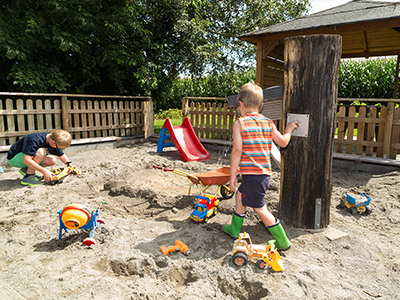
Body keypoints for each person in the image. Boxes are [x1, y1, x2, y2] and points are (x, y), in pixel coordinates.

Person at [223, 82, 298, 250]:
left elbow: (237, 150)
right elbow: (283, 142)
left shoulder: (240, 123)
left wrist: (232, 176)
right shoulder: (268, 123)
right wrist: (289, 129)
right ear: (261, 105)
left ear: (241, 105)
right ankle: (234, 229)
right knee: (241, 195)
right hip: (263, 174)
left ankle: (283, 241)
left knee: (260, 208)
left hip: (252, 175)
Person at [7, 129, 74, 186]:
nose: (57, 149)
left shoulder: (52, 140)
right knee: (41, 151)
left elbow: (61, 155)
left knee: (52, 160)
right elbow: (26, 160)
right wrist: (44, 171)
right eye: (57, 147)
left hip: (25, 158)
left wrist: (70, 165)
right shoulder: (34, 139)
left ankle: (26, 169)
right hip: (14, 158)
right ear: (53, 142)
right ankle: (28, 177)